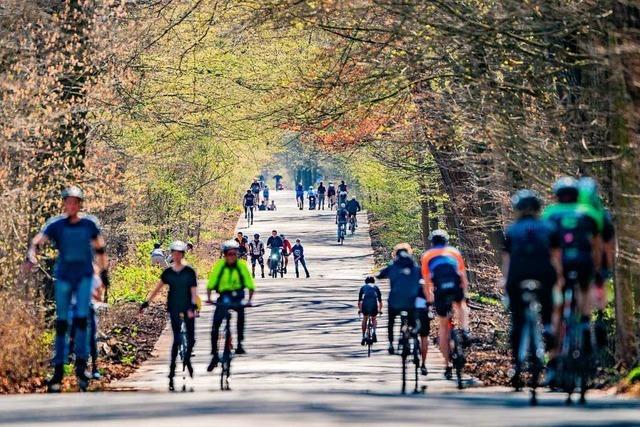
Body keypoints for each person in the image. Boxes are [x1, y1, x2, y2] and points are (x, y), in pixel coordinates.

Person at [22, 186, 109, 392]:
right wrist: (31, 255)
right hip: (64, 276)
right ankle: (58, 370)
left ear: (80, 204)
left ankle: (81, 367)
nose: (71, 205)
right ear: (64, 204)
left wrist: (104, 273)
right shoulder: (56, 224)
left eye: (75, 202)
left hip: (84, 276)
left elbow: (100, 248)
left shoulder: (89, 224)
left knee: (81, 320)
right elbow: (37, 241)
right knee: (61, 322)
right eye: (68, 202)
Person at [502, 190, 563, 389]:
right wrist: (559, 279)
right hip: (544, 275)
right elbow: (556, 257)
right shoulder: (549, 227)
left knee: (517, 320)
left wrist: (505, 282)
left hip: (518, 276)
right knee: (548, 312)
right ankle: (547, 330)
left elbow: (508, 261)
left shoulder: (511, 231)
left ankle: (516, 364)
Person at [542, 177, 602, 318]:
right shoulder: (589, 213)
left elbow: (546, 243)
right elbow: (596, 246)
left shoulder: (549, 213)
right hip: (583, 260)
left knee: (557, 292)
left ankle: (553, 331)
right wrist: (597, 268)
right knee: (584, 290)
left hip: (560, 262)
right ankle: (586, 323)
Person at [141, 241, 197, 391]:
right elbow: (157, 288)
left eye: (179, 253)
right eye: (174, 253)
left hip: (187, 306)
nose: (176, 256)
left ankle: (187, 361)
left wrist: (193, 306)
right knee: (177, 339)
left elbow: (193, 291)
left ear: (183, 254)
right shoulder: (168, 273)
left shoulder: (189, 271)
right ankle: (172, 373)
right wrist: (146, 302)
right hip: (173, 307)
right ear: (172, 254)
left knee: (191, 339)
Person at [421, 230, 470, 380]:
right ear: (446, 241)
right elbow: (462, 275)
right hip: (455, 288)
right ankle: (464, 330)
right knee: (461, 305)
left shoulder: (427, 256)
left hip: (440, 292)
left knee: (443, 327)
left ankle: (447, 364)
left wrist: (429, 300)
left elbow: (427, 281)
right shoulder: (454, 252)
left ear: (432, 243)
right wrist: (465, 294)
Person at [206, 240, 255, 371]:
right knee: (215, 325)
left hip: (238, 296)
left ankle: (239, 343)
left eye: (234, 254)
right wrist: (210, 299)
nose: (232, 256)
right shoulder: (220, 266)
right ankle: (214, 354)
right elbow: (211, 283)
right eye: (229, 254)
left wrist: (249, 300)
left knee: (241, 315)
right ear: (225, 254)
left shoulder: (241, 266)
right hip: (224, 296)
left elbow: (250, 284)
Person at [377, 243, 422, 356]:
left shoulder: (392, 266)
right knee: (415, 318)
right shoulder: (415, 267)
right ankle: (414, 335)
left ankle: (391, 344)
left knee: (391, 321)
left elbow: (380, 274)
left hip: (395, 302)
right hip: (412, 302)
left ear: (395, 254)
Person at [358, 276, 382, 345]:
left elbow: (359, 302)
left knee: (364, 319)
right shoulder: (376, 287)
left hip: (365, 306)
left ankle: (363, 336)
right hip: (374, 306)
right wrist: (379, 310)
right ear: (373, 281)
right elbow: (380, 302)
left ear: (365, 282)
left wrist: (360, 310)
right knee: (374, 319)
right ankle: (374, 332)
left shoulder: (363, 287)